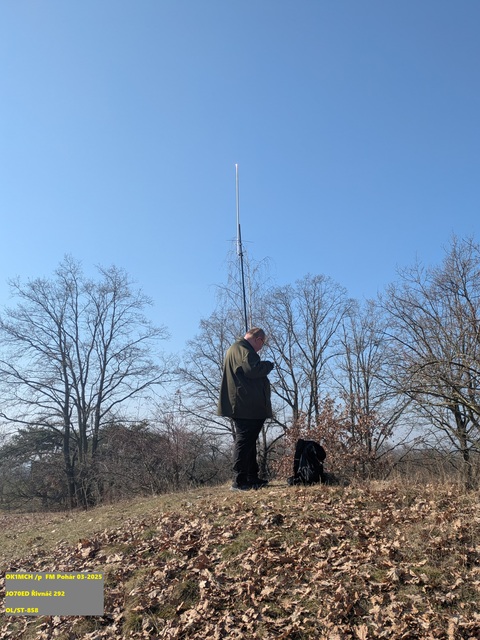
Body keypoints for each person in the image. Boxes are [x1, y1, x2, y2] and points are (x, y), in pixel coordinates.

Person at [217, 327, 274, 491]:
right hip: (246, 405)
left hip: (244, 404)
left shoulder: (237, 348)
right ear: (258, 339)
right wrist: (267, 365)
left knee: (249, 441)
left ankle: (251, 477)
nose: (261, 348)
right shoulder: (243, 349)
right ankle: (239, 480)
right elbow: (253, 370)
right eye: (262, 344)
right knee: (244, 441)